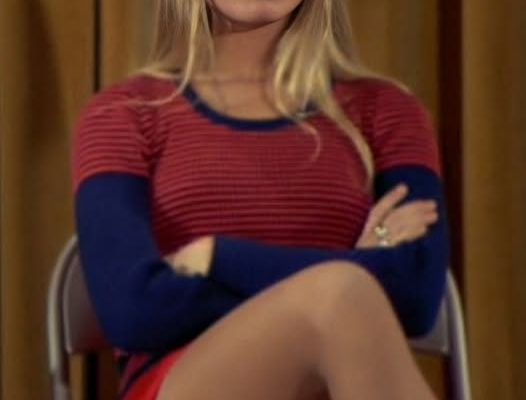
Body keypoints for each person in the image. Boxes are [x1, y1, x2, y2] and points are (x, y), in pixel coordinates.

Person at [72, 1, 450, 399]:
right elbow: (133, 310)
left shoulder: (387, 110)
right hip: (184, 380)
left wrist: (219, 259)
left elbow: (416, 296)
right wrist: (356, 272)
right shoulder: (124, 114)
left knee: (342, 294)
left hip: (338, 383)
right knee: (341, 293)